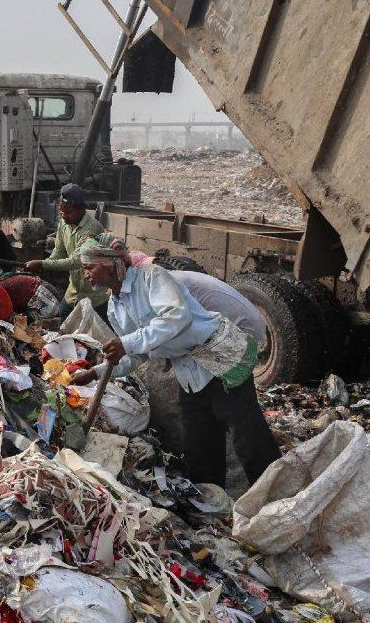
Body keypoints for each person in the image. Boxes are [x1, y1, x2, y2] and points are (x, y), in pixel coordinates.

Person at [73, 239, 281, 487]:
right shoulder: (113, 308)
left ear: (110, 264)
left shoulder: (151, 277)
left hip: (219, 361)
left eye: (90, 267)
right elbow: (136, 355)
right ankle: (211, 502)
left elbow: (177, 316)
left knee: (250, 441)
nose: (86, 275)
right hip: (189, 376)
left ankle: (276, 495)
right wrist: (95, 373)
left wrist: (126, 343)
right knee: (199, 447)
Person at [25, 183, 107, 314]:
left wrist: (43, 264)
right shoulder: (64, 224)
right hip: (73, 294)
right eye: (61, 211)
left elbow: (77, 261)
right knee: (63, 322)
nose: (63, 215)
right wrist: (45, 265)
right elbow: (59, 252)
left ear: (81, 209)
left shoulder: (92, 229)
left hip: (94, 299)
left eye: (68, 212)